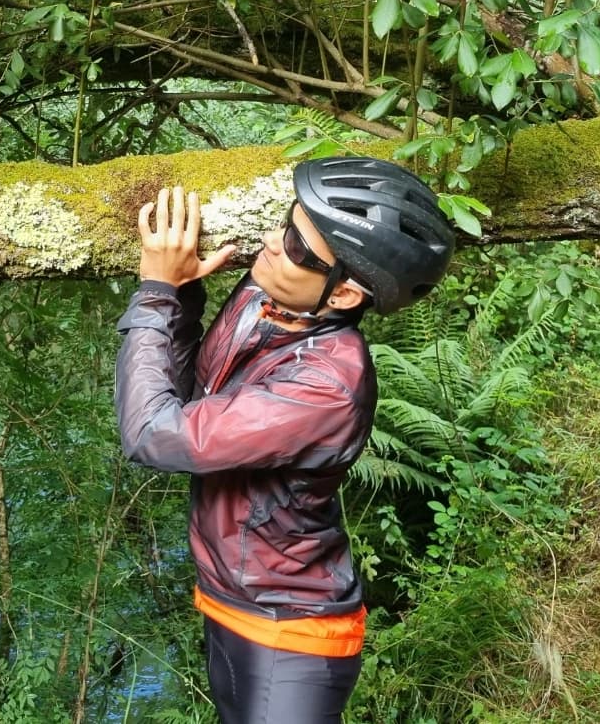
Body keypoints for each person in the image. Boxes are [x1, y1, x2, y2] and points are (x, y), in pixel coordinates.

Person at [112, 157, 454, 723]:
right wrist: (183, 297)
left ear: (344, 295)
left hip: (292, 631)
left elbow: (153, 433)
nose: (272, 243)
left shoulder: (328, 385)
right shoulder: (266, 299)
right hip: (228, 601)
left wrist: (155, 291)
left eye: (298, 246)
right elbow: (197, 394)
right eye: (285, 223)